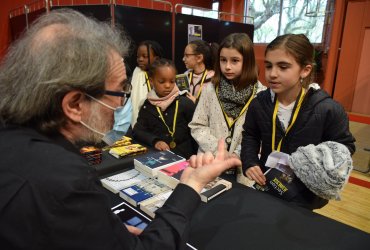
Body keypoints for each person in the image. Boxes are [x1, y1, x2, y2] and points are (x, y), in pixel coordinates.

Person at [0, 9, 241, 249]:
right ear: (74, 104)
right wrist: (191, 185)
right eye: (118, 92)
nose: (120, 103)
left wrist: (99, 230)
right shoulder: (65, 182)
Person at [241, 34, 355, 210]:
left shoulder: (328, 109)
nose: (272, 74)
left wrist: (310, 162)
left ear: (305, 70)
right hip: (267, 184)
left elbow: (344, 147)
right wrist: (249, 162)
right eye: (269, 66)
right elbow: (250, 135)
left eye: (283, 67)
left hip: (305, 195)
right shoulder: (259, 103)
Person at [189, 33, 266, 180]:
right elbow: (197, 125)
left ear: (248, 61)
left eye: (235, 60)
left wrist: (238, 153)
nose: (227, 67)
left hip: (243, 169)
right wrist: (219, 151)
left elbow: (260, 134)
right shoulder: (210, 89)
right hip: (210, 163)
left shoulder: (260, 95)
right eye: (223, 60)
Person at [132, 58, 197, 159]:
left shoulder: (185, 103)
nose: (167, 85)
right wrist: (155, 141)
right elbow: (138, 131)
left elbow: (197, 131)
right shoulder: (147, 105)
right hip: (160, 159)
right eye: (162, 82)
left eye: (172, 81)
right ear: (151, 81)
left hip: (187, 158)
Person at [131, 40, 163, 127]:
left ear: (156, 58)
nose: (140, 59)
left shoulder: (163, 74)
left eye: (145, 56)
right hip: (139, 124)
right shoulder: (137, 73)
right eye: (138, 56)